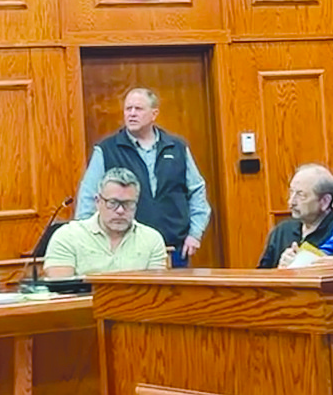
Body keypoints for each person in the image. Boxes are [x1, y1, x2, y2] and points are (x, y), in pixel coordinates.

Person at [75, 88, 211, 268]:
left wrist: (195, 234)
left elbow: (197, 191)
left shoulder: (177, 147)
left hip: (174, 248)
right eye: (127, 109)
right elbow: (89, 196)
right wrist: (85, 240)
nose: (131, 114)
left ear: (154, 114)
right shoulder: (107, 149)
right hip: (127, 249)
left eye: (138, 109)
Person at [44, 168, 167, 276]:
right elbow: (61, 292)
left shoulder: (152, 240)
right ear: (98, 201)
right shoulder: (67, 237)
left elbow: (155, 293)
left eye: (128, 204)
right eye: (112, 203)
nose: (120, 210)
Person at [257, 164, 333, 269]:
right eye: (291, 192)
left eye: (301, 195)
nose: (291, 202)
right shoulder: (282, 230)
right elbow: (263, 274)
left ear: (325, 201)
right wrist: (280, 270)